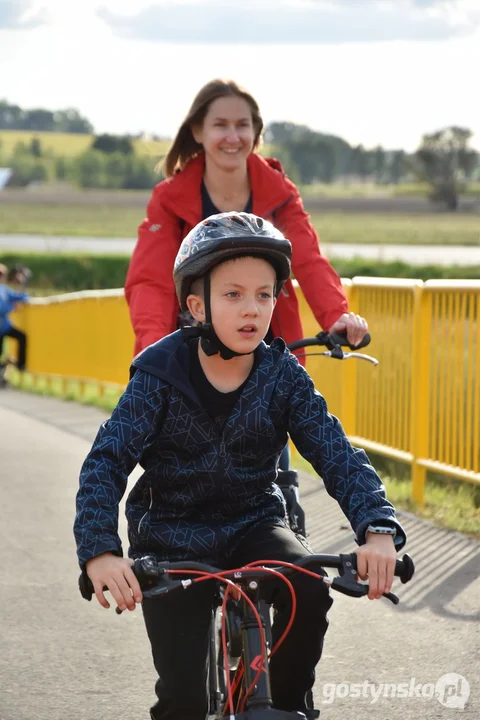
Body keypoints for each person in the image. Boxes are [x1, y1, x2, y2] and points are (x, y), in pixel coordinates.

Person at [75, 212, 406, 720]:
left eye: (265, 295)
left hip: (255, 521)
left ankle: (289, 708)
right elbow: (105, 462)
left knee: (306, 588)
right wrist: (99, 551)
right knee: (182, 702)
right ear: (195, 304)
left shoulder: (283, 376)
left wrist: (378, 528)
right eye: (232, 295)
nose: (251, 309)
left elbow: (336, 453)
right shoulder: (158, 375)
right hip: (171, 537)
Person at [125, 78, 368, 473]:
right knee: (180, 465)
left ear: (256, 133)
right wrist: (153, 351)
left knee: (277, 456)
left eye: (243, 125)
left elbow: (308, 259)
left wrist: (335, 315)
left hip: (266, 343)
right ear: (198, 132)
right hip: (194, 351)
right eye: (220, 124)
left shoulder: (279, 192)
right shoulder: (170, 198)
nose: (232, 136)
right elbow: (150, 282)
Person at [0, 263, 29, 376]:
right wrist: (12, 307)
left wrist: (22, 283)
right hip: (3, 326)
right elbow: (2, 308)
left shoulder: (4, 289)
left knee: (22, 337)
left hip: (4, 326)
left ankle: (20, 365)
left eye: (2, 274)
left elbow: (22, 297)